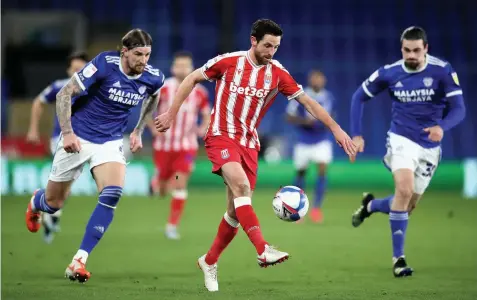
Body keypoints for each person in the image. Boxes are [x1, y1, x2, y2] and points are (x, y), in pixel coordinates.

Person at [155, 19, 357, 292]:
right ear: (253, 40)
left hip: (249, 143)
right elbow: (192, 78)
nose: (271, 51)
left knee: (235, 211)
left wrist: (336, 129)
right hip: (220, 136)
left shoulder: (277, 73)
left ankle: (209, 261)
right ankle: (263, 249)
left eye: (276, 46)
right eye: (267, 45)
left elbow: (307, 102)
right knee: (242, 186)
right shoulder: (228, 62)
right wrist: (171, 113)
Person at [24, 29, 165, 283]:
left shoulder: (153, 77)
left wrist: (139, 129)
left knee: (112, 194)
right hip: (78, 136)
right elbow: (64, 94)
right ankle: (37, 201)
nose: (144, 60)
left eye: (147, 55)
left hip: (110, 141)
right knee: (54, 203)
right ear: (124, 52)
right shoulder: (103, 64)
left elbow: (154, 97)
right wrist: (67, 133)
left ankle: (79, 260)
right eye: (138, 54)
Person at [350, 26, 466, 277]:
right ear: (401, 49)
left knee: (406, 204)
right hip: (401, 139)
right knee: (403, 190)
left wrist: (442, 127)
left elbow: (459, 109)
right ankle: (398, 259)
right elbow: (358, 97)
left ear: (426, 49)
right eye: (406, 50)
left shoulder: (442, 71)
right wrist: (357, 135)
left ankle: (370, 206)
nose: (411, 55)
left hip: (430, 146)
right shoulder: (390, 72)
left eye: (416, 50)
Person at [26, 51, 89, 244]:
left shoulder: (93, 86)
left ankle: (50, 212)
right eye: (74, 68)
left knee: (66, 185)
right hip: (61, 139)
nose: (77, 71)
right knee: (65, 181)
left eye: (81, 68)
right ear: (69, 69)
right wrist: (33, 129)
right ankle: (50, 212)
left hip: (87, 139)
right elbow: (38, 102)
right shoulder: (60, 86)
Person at [147, 51, 211, 240]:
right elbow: (147, 110)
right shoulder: (164, 88)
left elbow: (206, 113)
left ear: (192, 68)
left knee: (180, 183)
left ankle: (172, 226)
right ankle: (156, 183)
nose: (182, 68)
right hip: (164, 146)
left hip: (186, 146)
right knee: (162, 190)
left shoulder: (200, 91)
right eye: (179, 65)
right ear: (173, 67)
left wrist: (202, 128)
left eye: (186, 65)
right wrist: (152, 128)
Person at [286, 69, 335, 223]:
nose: (317, 81)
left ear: (324, 80)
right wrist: (304, 121)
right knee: (301, 173)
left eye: (319, 79)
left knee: (322, 171)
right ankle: (297, 209)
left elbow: (331, 115)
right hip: (303, 140)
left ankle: (316, 209)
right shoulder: (299, 95)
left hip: (321, 140)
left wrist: (323, 122)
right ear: (310, 80)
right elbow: (288, 116)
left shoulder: (328, 97)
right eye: (314, 78)